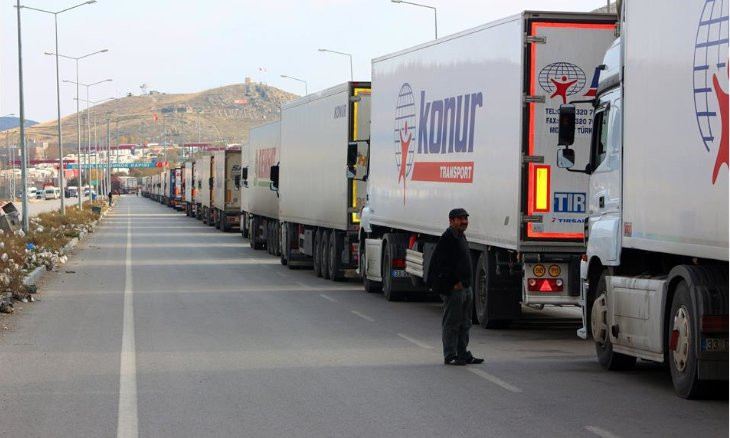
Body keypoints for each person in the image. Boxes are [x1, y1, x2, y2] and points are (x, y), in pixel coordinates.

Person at [428, 208, 484, 366]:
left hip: (465, 287)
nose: (464, 222)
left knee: (465, 322)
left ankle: (463, 354)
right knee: (452, 323)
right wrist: (454, 282)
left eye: (466, 218)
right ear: (451, 221)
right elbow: (441, 265)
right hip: (454, 289)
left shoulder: (460, 236)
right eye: (460, 219)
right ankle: (450, 355)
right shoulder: (447, 239)